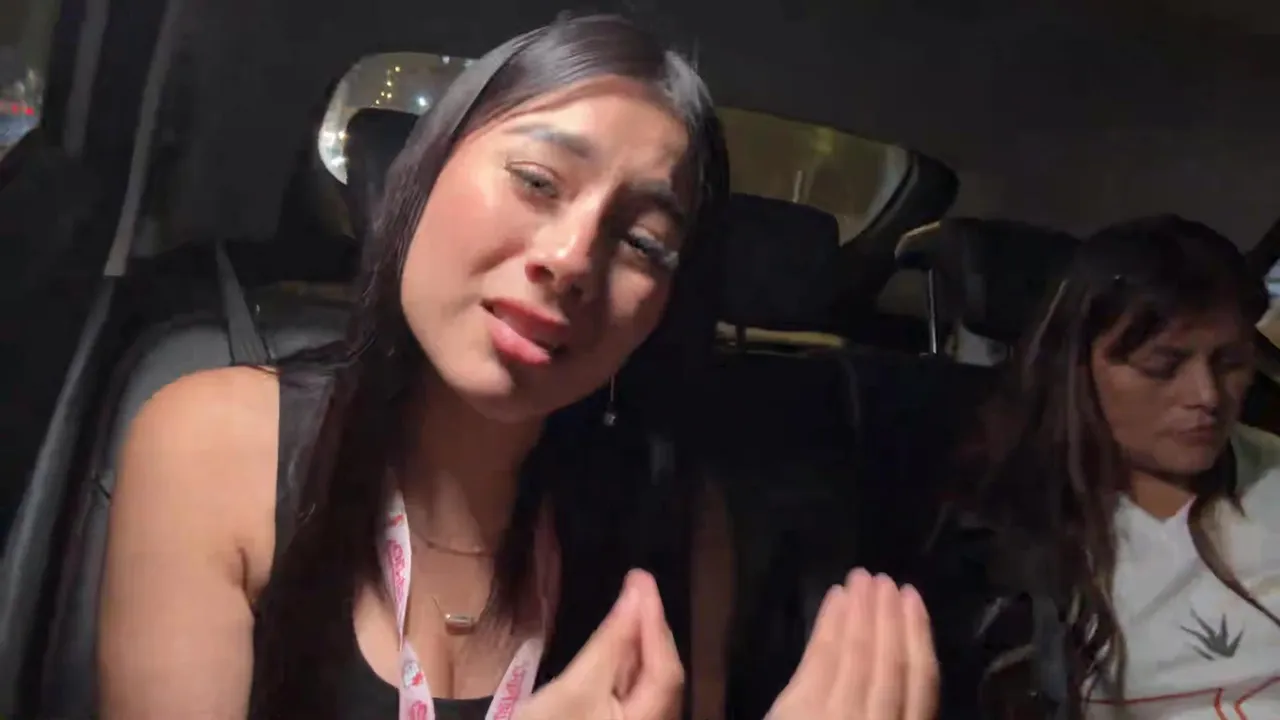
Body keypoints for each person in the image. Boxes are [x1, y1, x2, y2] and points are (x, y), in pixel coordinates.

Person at [98, 14, 938, 720]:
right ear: (422, 176)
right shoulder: (213, 441)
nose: (572, 259)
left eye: (643, 242)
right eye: (537, 182)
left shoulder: (676, 524)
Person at [927, 215, 1280, 719]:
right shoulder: (999, 529)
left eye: (1231, 364)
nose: (1206, 395)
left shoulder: (1271, 473)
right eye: (1162, 366)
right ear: (1077, 365)